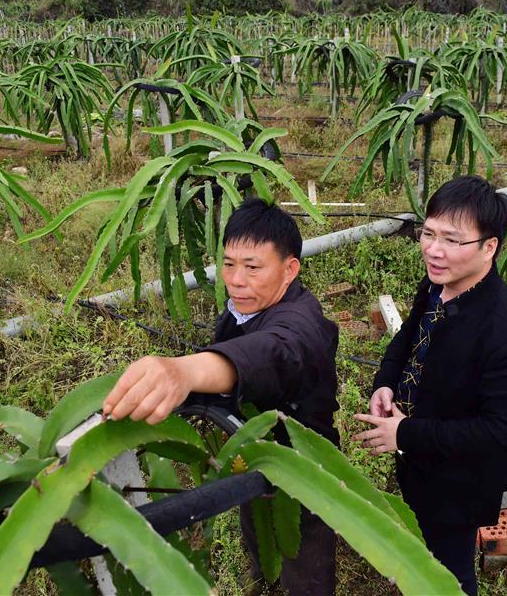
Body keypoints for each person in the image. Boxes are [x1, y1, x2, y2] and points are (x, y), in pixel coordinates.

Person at [103, 198, 338, 596]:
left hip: (303, 467)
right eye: (229, 264)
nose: (236, 279)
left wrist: (187, 369)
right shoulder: (241, 308)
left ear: (289, 269)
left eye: (252, 267)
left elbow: (276, 352)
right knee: (259, 543)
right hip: (251, 452)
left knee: (305, 561)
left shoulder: (303, 321)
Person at [352, 176, 507, 596]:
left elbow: (498, 433)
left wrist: (403, 432)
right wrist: (386, 382)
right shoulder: (439, 283)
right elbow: (406, 337)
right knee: (419, 545)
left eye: (452, 240)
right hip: (417, 462)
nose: (434, 250)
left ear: (488, 247)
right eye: (428, 233)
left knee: (450, 572)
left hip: (459, 484)